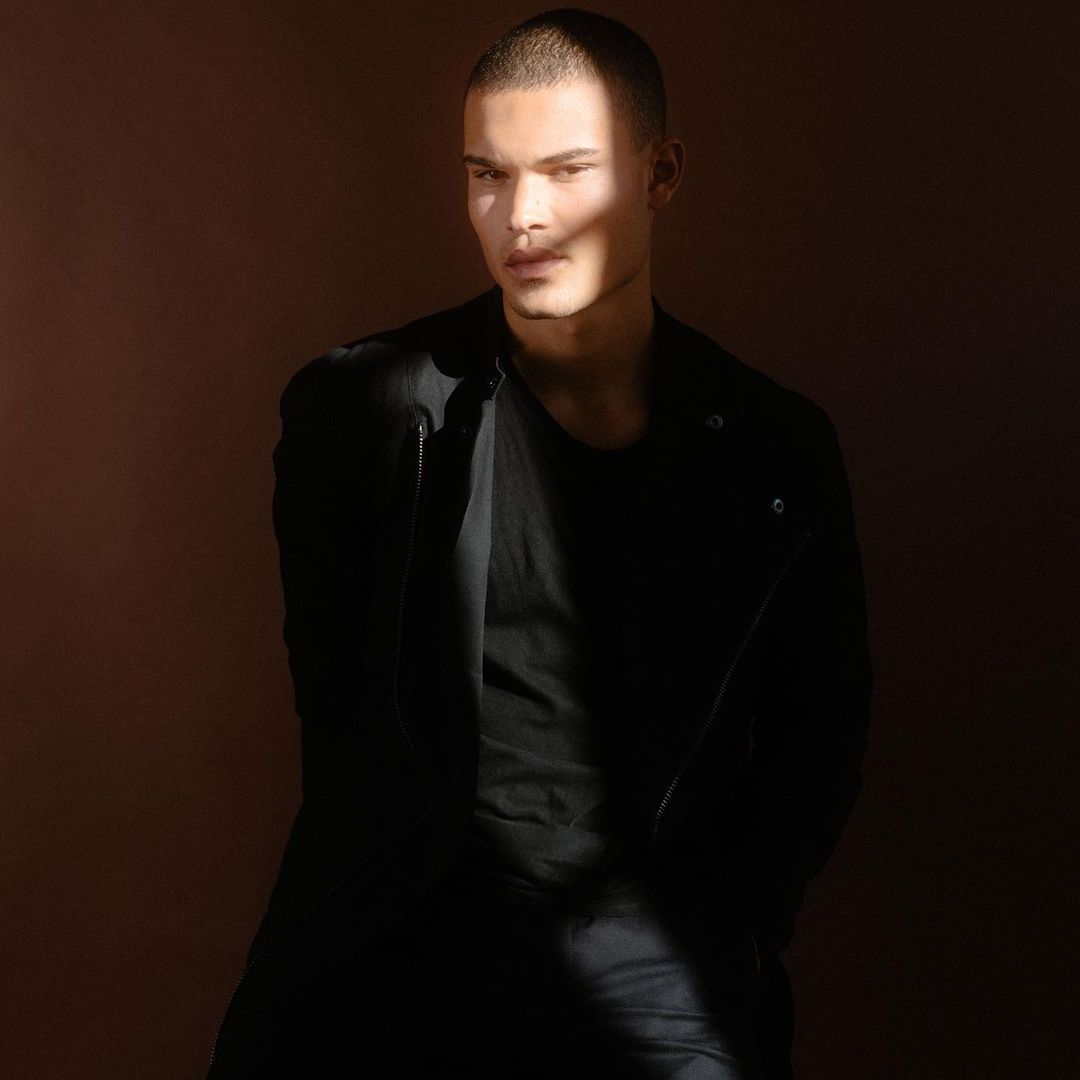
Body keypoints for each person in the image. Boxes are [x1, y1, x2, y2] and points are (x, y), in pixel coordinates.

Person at [207, 8, 871, 1079]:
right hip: (400, 933)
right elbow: (334, 701)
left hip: (655, 948)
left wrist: (734, 922)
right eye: (488, 174)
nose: (521, 215)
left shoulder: (773, 448)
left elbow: (820, 728)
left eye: (567, 171)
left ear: (659, 175)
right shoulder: (358, 411)